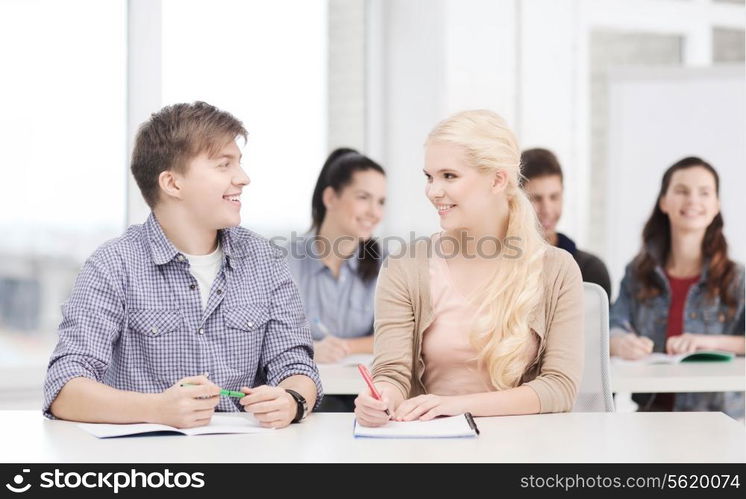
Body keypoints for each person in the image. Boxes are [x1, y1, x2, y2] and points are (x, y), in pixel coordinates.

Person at [43, 102, 321, 429]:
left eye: (239, 163)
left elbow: (296, 365)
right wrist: (157, 408)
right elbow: (64, 387)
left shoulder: (265, 260)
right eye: (223, 165)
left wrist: (291, 400)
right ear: (173, 184)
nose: (243, 178)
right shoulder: (113, 264)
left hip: (247, 457)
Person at [354, 110, 584, 427]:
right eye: (429, 177)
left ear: (498, 179)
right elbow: (393, 374)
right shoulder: (405, 267)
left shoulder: (557, 270)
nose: (433, 191)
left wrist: (454, 406)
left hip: (526, 449)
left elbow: (559, 388)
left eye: (449, 176)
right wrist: (380, 397)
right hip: (432, 448)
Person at [609, 156, 744, 418]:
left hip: (718, 421)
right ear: (664, 202)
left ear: (716, 205)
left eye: (704, 193)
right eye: (681, 191)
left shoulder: (737, 278)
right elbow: (614, 325)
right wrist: (621, 342)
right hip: (651, 420)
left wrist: (707, 343)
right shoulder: (638, 273)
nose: (693, 201)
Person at [285, 148, 386, 411]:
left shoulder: (386, 264)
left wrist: (346, 347)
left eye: (381, 202)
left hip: (364, 394)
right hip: (302, 391)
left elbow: (396, 335)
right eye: (364, 197)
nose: (374, 212)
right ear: (330, 197)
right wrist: (311, 349)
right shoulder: (285, 262)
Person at [521, 148, 611, 299]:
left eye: (554, 197)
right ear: (516, 201)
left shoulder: (589, 270)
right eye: (535, 198)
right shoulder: (499, 266)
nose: (547, 210)